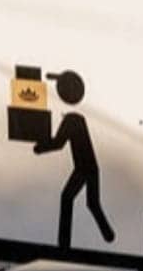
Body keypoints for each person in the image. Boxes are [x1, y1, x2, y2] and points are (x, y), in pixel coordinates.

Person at [34, 71, 114, 248]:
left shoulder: (72, 120)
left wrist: (40, 148)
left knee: (69, 198)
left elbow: (58, 143)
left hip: (84, 168)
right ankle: (108, 235)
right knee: (92, 204)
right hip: (88, 167)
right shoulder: (77, 118)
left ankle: (64, 245)